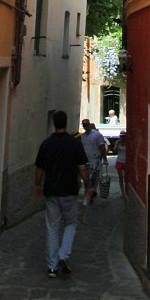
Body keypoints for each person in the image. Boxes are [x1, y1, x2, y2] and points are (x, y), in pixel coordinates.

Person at [34, 110, 89, 278]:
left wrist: (37, 185)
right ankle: (64, 254)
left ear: (53, 124)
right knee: (70, 223)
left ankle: (52, 267)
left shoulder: (46, 144)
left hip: (51, 191)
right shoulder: (74, 144)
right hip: (70, 191)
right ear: (66, 123)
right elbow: (82, 168)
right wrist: (88, 185)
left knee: (52, 227)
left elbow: (39, 169)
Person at [80, 118, 107, 201]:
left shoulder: (97, 135)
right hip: (85, 160)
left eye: (86, 125)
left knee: (92, 178)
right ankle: (89, 192)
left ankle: (89, 195)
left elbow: (102, 147)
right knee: (86, 178)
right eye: (83, 125)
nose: (85, 127)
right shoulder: (82, 136)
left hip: (95, 159)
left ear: (89, 125)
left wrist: (104, 159)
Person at [115, 130, 127, 200]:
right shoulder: (118, 142)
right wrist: (117, 144)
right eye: (121, 136)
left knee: (126, 177)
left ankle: (125, 191)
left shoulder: (128, 142)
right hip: (119, 161)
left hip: (126, 162)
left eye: (123, 136)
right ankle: (122, 192)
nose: (122, 137)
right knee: (121, 177)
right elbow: (114, 151)